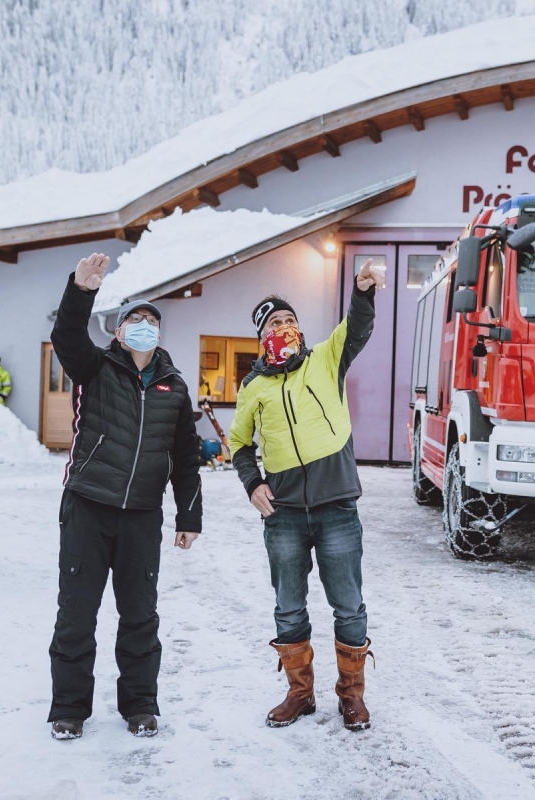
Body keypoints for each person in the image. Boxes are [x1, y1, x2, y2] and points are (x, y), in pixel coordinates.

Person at [47, 252, 203, 741]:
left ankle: (140, 706)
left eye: (152, 322)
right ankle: (69, 709)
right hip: (88, 506)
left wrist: (189, 516)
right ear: (118, 332)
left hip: (141, 516)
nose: (144, 327)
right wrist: (81, 291)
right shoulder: (95, 368)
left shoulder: (174, 387)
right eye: (135, 320)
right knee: (77, 614)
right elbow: (66, 337)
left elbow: (185, 456)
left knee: (140, 616)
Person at [228, 259, 385, 732]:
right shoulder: (253, 386)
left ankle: (352, 696)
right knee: (288, 606)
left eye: (289, 319)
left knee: (349, 605)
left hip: (337, 507)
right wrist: (252, 482)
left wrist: (362, 291)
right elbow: (239, 443)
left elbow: (357, 326)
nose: (284, 327)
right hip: (284, 515)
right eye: (274, 322)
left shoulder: (325, 358)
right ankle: (300, 693)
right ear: (261, 336)